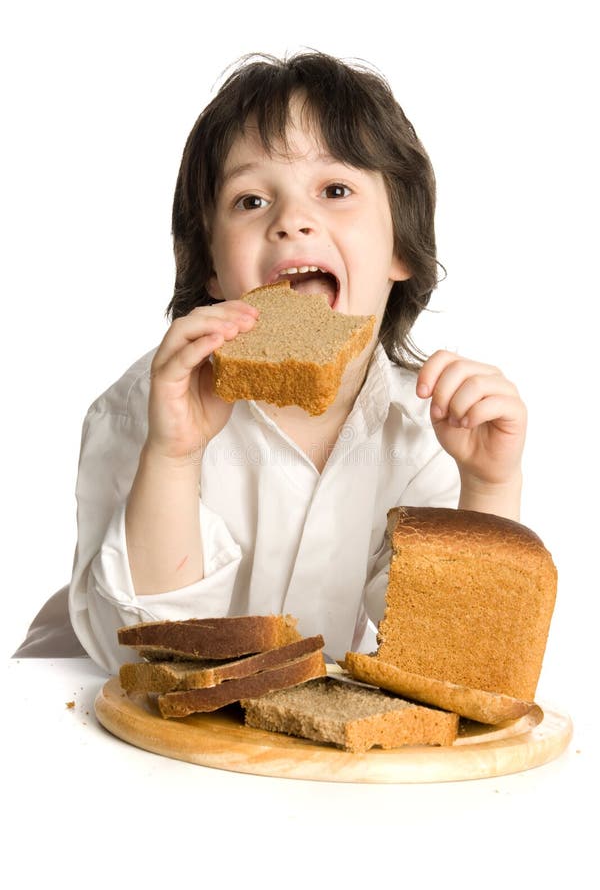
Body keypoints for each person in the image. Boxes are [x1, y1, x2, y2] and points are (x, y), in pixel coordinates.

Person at [68, 52, 527, 674]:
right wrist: (172, 458)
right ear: (209, 264)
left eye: (336, 191)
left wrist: (488, 488)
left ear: (402, 250)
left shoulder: (430, 432)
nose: (291, 221)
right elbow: (143, 651)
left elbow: (446, 666)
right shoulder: (146, 409)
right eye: (251, 200)